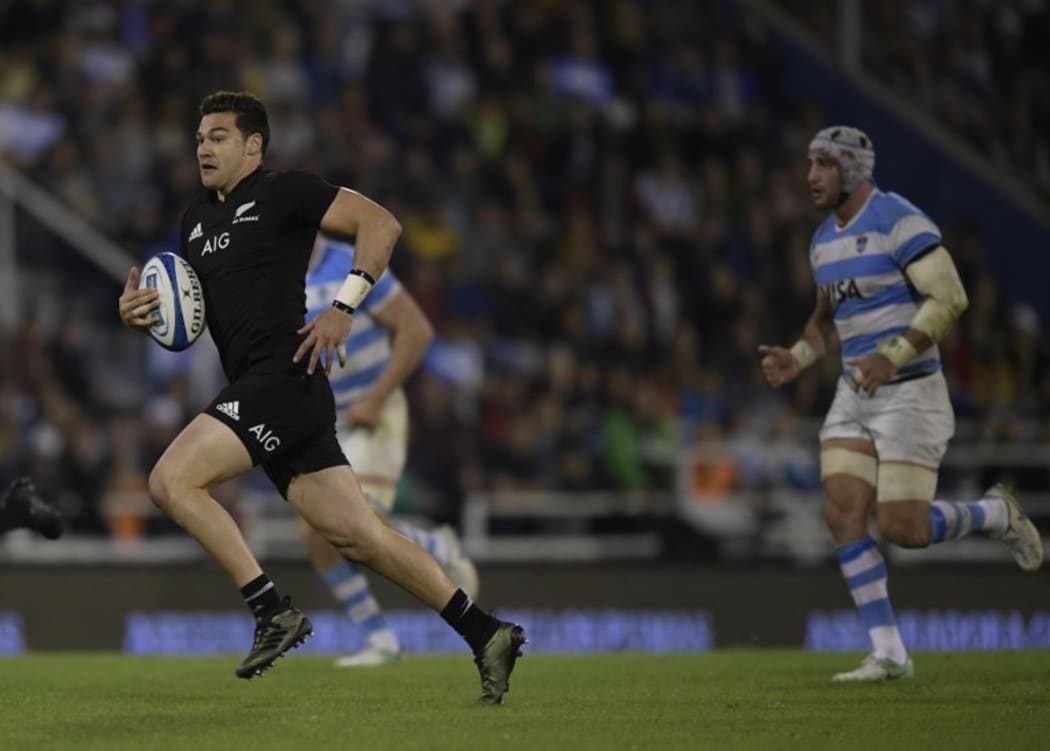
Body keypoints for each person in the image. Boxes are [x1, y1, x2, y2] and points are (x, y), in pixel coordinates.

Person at [117, 91, 523, 703]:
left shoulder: (285, 192)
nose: (203, 146)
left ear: (254, 145)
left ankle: (270, 609)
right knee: (364, 539)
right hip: (277, 391)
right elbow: (195, 315)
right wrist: (141, 315)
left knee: (171, 482)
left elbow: (381, 224)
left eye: (219, 136)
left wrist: (343, 306)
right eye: (200, 136)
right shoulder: (193, 222)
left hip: (281, 380)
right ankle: (486, 631)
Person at [759, 126, 1043, 682]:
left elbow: (951, 297)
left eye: (823, 163)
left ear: (853, 169)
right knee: (843, 511)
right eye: (809, 163)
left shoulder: (899, 220)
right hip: (855, 392)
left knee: (904, 529)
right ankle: (889, 652)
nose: (811, 175)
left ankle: (996, 513)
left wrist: (891, 354)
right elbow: (824, 325)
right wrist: (797, 358)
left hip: (911, 393)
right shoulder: (822, 241)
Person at [300, 234, 479, 667]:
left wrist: (378, 398)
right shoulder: (275, 275)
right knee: (317, 536)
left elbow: (416, 329)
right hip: (324, 421)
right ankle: (381, 639)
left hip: (372, 413)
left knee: (359, 525)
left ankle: (438, 548)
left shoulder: (352, 263)